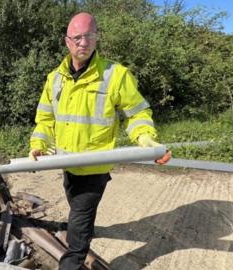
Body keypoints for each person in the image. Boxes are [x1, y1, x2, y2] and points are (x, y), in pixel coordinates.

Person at [28, 12, 171, 270]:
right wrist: (38, 144)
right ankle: (82, 234)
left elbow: (137, 113)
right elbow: (45, 119)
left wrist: (146, 138)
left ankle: (72, 262)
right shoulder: (55, 79)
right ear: (67, 41)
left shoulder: (115, 75)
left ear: (97, 39)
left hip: (95, 167)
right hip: (67, 163)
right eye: (78, 37)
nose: (84, 42)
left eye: (90, 36)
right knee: (78, 211)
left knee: (79, 220)